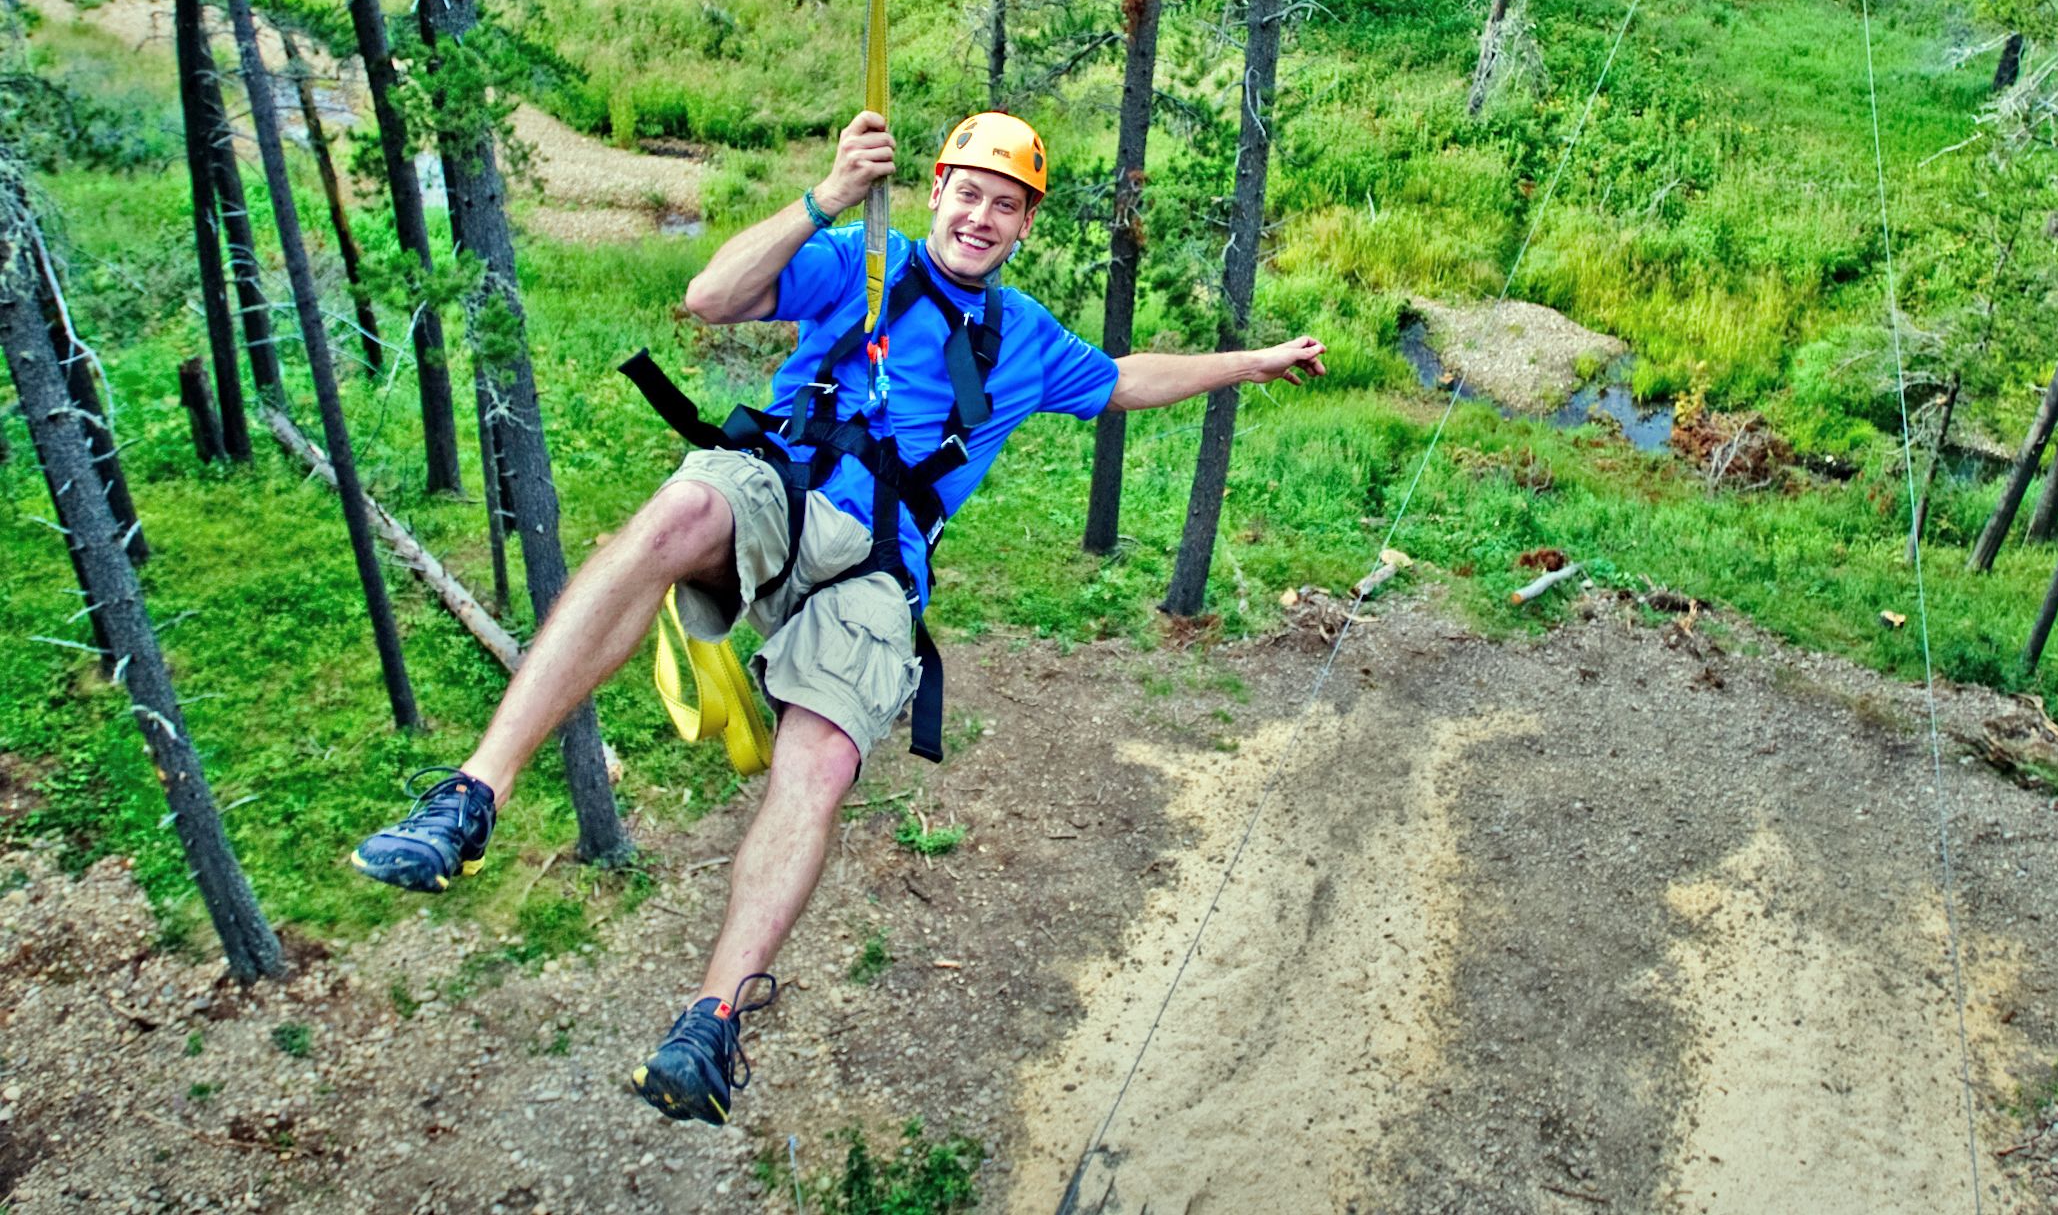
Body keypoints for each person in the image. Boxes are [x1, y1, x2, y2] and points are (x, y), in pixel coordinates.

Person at [348, 109, 1325, 1125]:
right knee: (681, 508)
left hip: (876, 567)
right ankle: (470, 799)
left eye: (1006, 205)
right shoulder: (864, 261)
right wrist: (826, 196)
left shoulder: (1024, 338)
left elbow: (1124, 381)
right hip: (781, 493)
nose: (981, 217)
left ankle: (710, 1021)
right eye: (969, 193)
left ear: (1025, 225)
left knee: (819, 760)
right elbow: (710, 295)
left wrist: (1248, 362)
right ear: (937, 190)